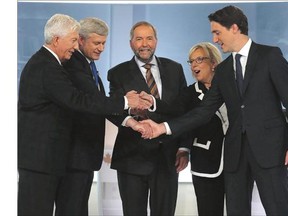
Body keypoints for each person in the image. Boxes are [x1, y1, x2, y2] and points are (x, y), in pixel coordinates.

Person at [141, 5, 288, 216]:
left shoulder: (270, 56)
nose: (216, 39)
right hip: (235, 154)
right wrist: (162, 128)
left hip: (271, 151)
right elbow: (203, 111)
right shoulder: (224, 70)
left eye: (217, 32)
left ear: (235, 28)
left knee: (278, 209)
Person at [18, 14, 151, 216]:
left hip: (51, 159)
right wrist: (125, 101)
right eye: (73, 40)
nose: (74, 46)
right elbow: (80, 101)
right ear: (57, 39)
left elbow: (90, 102)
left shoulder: (54, 64)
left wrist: (129, 119)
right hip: (44, 159)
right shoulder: (51, 66)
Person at [107, 21, 190, 216]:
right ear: (131, 44)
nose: (145, 43)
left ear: (156, 42)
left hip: (168, 157)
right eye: (139, 39)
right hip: (132, 158)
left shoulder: (175, 69)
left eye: (149, 38)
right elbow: (114, 110)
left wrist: (184, 148)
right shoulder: (117, 73)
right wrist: (132, 112)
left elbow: (185, 110)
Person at [54, 17, 111, 216]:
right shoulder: (73, 65)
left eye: (104, 43)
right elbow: (95, 101)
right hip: (74, 155)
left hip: (85, 155)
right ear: (80, 40)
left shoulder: (88, 66)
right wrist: (127, 104)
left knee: (79, 209)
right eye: (97, 43)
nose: (101, 48)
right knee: (70, 209)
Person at [184, 42, 227, 216]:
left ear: (214, 63)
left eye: (199, 59)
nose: (194, 64)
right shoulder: (188, 94)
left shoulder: (232, 88)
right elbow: (180, 121)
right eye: (191, 61)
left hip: (236, 162)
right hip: (205, 162)